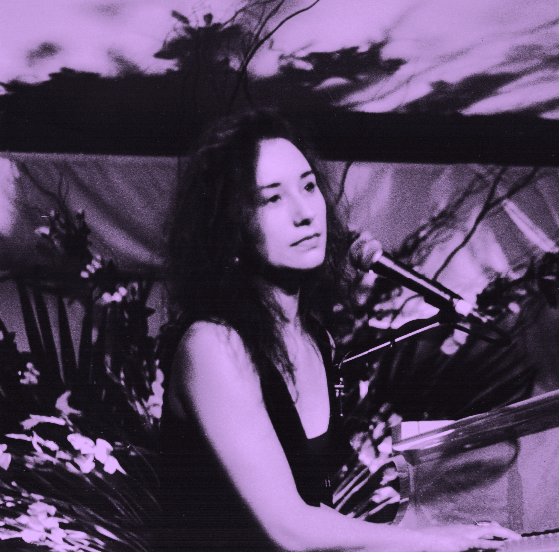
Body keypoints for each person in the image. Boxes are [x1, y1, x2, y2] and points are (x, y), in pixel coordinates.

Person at [156, 109, 520, 551]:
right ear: (230, 227)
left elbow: (312, 507)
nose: (305, 213)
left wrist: (426, 534)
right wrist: (427, 542)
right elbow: (289, 527)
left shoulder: (315, 339)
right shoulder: (213, 346)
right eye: (272, 199)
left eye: (309, 187)